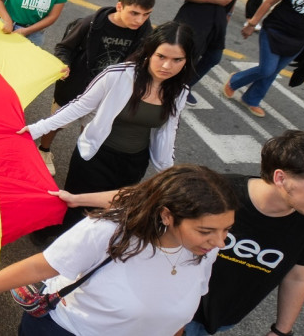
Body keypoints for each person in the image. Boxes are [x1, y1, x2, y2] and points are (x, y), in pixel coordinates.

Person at [0, 164, 237, 336]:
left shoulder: (204, 248)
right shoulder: (109, 232)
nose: (220, 242)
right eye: (207, 231)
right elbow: (41, 266)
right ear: (167, 215)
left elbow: (183, 300)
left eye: (226, 230)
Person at [25, 21, 195, 231]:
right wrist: (36, 129)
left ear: (187, 61)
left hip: (133, 163)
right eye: (161, 56)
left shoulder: (180, 91)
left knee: (109, 212)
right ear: (149, 52)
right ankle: (50, 233)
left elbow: (167, 132)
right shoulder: (117, 75)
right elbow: (79, 106)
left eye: (177, 59)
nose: (167, 66)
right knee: (75, 206)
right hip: (95, 155)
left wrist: (169, 174)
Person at [184, 131, 304, 336]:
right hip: (167, 306)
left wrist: (281, 331)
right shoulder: (218, 192)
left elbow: (297, 276)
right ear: (281, 178)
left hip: (217, 321)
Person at [35, 0, 155, 174]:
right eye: (134, 13)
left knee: (91, 129)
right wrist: (64, 64)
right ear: (119, 6)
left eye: (146, 14)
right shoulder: (92, 23)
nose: (140, 20)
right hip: (76, 88)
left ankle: (83, 158)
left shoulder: (144, 32)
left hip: (107, 92)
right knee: (58, 122)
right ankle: (44, 150)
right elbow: (64, 48)